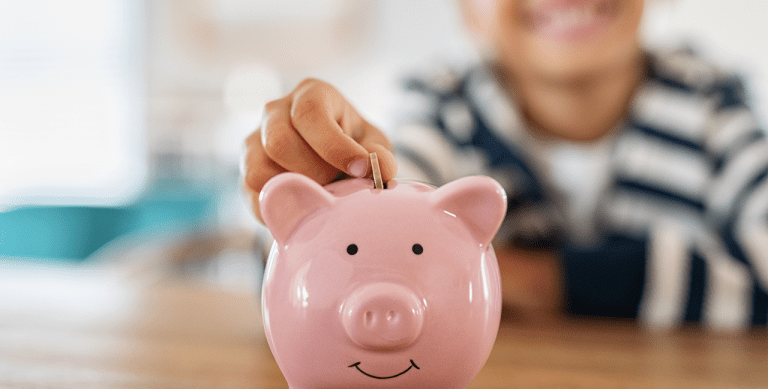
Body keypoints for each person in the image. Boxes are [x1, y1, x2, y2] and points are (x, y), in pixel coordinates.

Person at [243, 0, 768, 329]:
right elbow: (347, 277)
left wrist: (544, 281)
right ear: (467, 10)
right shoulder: (441, 104)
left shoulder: (711, 107)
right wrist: (331, 196)